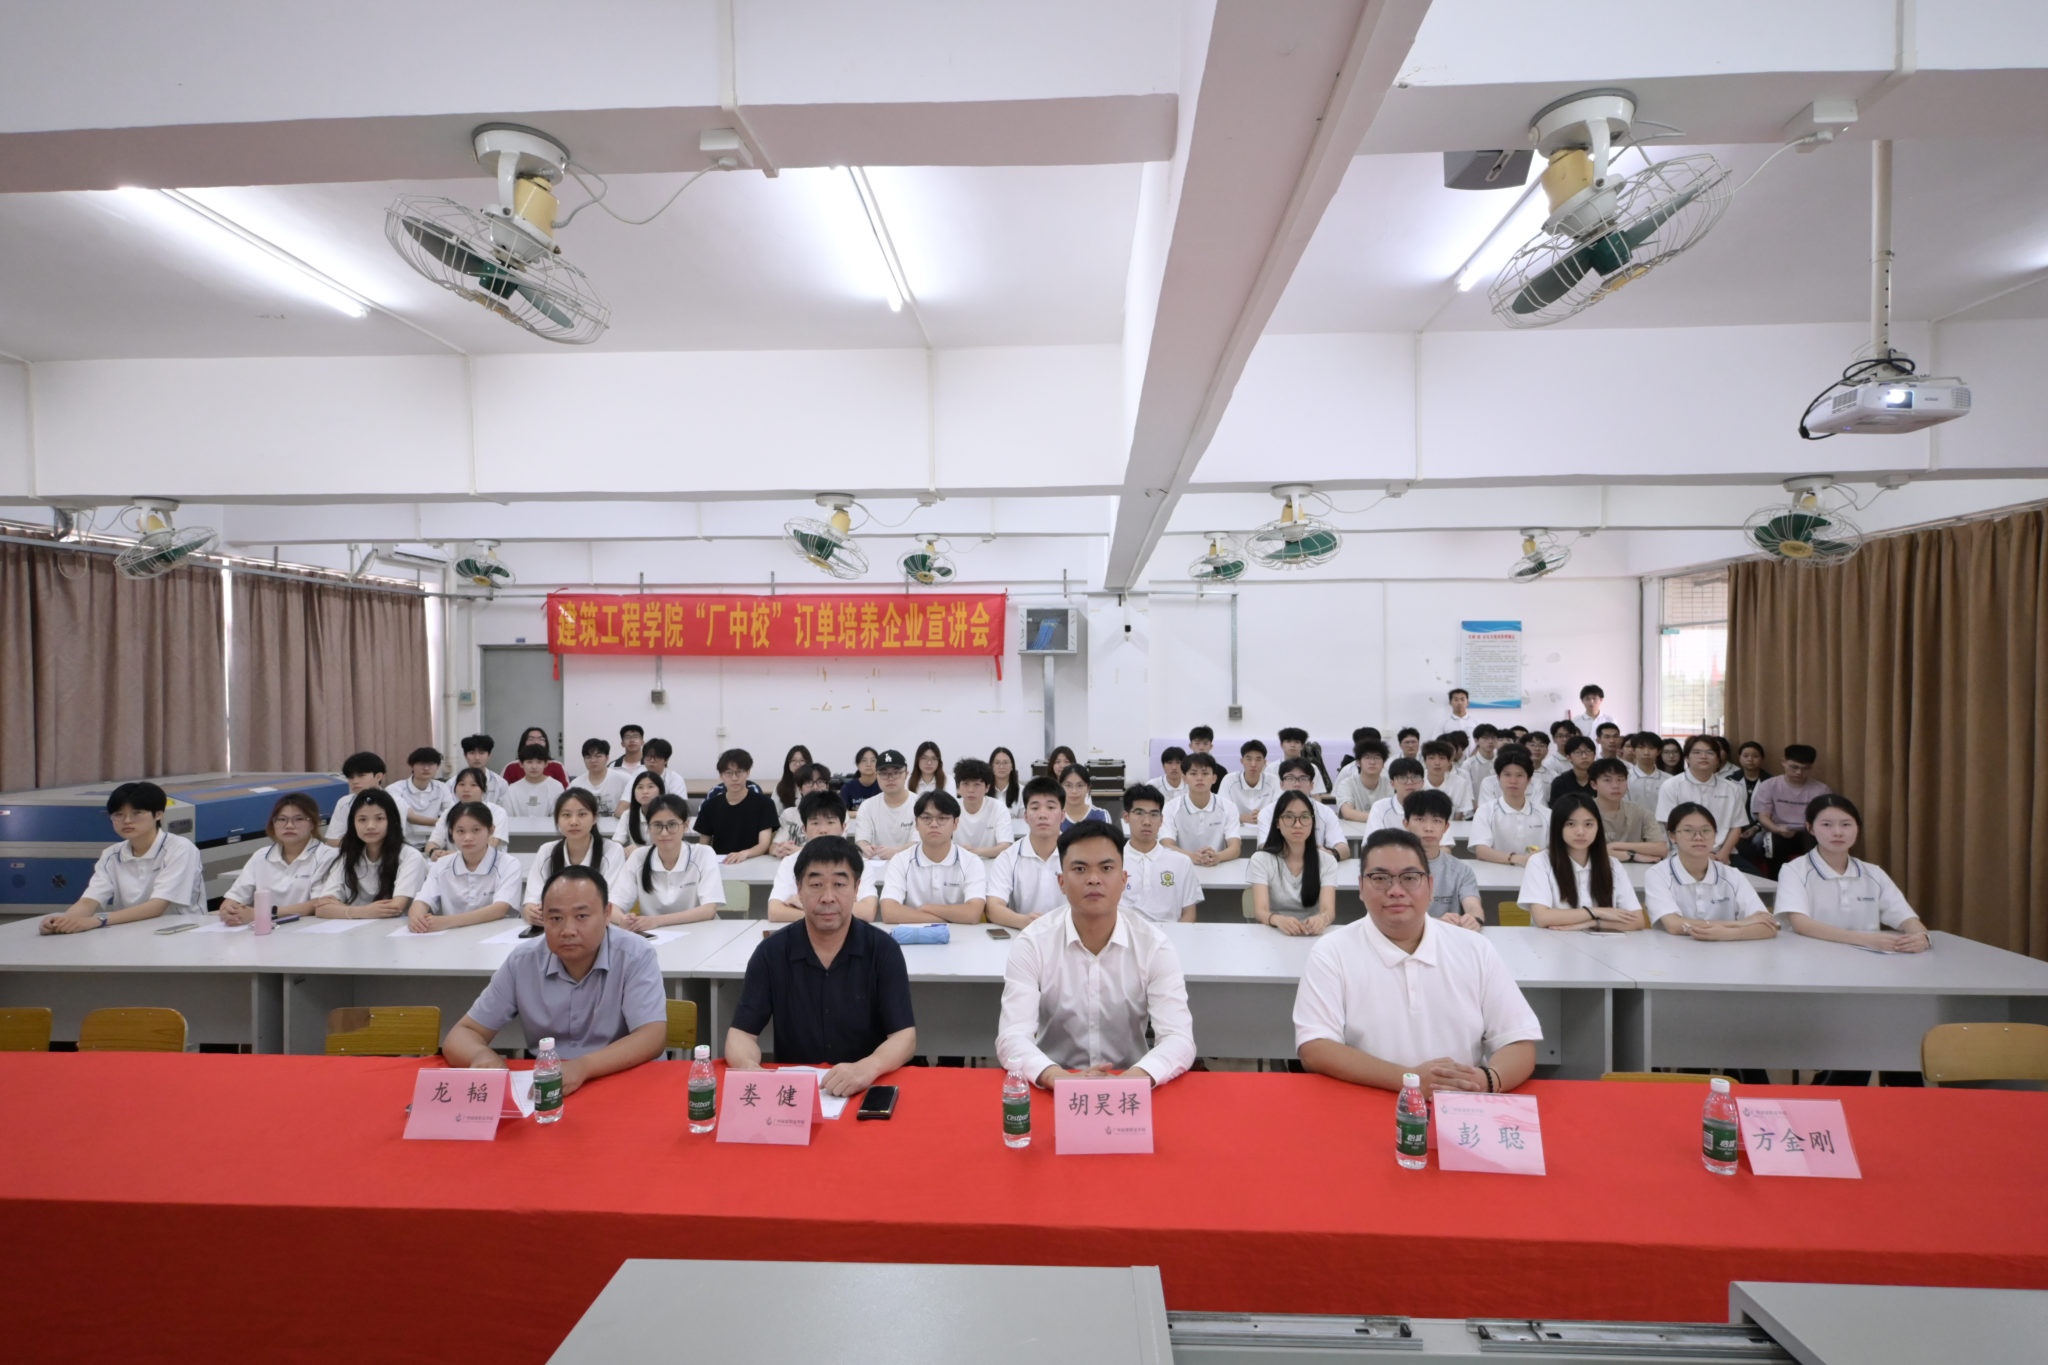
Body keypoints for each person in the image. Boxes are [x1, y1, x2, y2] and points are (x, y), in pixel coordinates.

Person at [1294, 829, 1541, 1096]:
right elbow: (1315, 1048)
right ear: (1361, 888)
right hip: (1369, 1097)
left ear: (1431, 887)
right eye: (1380, 878)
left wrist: (1486, 1080)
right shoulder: (1331, 952)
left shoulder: (1475, 949)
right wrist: (1409, 1080)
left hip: (1461, 1104)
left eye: (1410, 878)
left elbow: (1518, 1040)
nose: (1396, 891)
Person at [995, 820, 1196, 1089]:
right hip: (1053, 1084)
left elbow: (1179, 1037)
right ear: (1062, 882)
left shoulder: (1154, 945)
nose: (1093, 879)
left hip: (1131, 1085)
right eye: (1080, 869)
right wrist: (1059, 1079)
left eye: (1106, 868)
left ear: (1124, 880)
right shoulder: (1033, 942)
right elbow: (1012, 1035)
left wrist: (1130, 1081)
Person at [443, 864, 667, 1091]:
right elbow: (464, 1033)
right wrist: (481, 1056)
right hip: (550, 1085)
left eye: (581, 916)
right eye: (556, 918)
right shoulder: (524, 961)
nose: (568, 930)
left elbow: (651, 1037)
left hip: (624, 1079)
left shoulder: (635, 955)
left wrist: (583, 1067)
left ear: (607, 914)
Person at [727, 837, 917, 1096]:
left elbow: (904, 1036)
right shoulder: (772, 952)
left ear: (856, 889)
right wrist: (750, 1069)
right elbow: (741, 1035)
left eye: (839, 884)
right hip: (793, 1095)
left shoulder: (883, 950)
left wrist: (868, 1067)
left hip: (866, 1087)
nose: (828, 897)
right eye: (816, 885)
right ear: (799, 889)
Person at [40, 781, 208, 933]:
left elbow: (157, 906)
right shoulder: (111, 854)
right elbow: (89, 901)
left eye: (137, 813)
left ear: (158, 814)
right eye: (118, 814)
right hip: (131, 931)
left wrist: (98, 920)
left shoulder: (180, 848)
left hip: (182, 931)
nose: (127, 820)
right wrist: (62, 922)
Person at [1776, 794, 1930, 952]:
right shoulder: (1794, 870)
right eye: (1827, 824)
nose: (1838, 832)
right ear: (1810, 828)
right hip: (1809, 956)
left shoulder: (1873, 873)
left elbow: (1906, 917)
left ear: (1857, 827)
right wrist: (1866, 940)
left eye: (1846, 824)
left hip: (1866, 959)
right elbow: (1801, 924)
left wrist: (1921, 937)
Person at [1645, 803, 1776, 939]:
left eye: (1706, 830)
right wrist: (1739, 924)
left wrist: (1727, 934)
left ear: (1715, 835)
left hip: (1727, 950)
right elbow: (1674, 925)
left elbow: (1768, 926)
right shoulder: (1658, 874)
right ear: (1672, 836)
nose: (1698, 837)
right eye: (1688, 830)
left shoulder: (1732, 875)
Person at [1518, 793, 1646, 931]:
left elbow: (1637, 921)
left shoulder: (1612, 865)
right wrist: (1597, 912)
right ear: (1558, 827)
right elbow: (1543, 918)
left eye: (1588, 824)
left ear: (1598, 827)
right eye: (1571, 824)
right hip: (1552, 941)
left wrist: (1592, 923)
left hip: (1601, 942)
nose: (1580, 832)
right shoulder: (1540, 862)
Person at [310, 788, 430, 918]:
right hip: (356, 927)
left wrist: (343, 909)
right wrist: (365, 911)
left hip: (398, 926)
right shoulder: (347, 857)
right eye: (362, 820)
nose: (370, 826)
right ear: (353, 824)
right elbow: (321, 908)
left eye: (379, 818)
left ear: (392, 821)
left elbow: (395, 907)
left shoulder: (410, 856)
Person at [219, 793, 337, 924]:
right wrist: (229, 912)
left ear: (314, 823)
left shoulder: (327, 855)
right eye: (281, 819)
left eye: (299, 819)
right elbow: (234, 897)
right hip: (265, 928)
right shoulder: (261, 856)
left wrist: (262, 913)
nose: (289, 825)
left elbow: (319, 903)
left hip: (309, 928)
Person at [608, 794, 724, 928]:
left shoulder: (703, 854)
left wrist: (656, 921)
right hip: (655, 935)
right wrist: (624, 920)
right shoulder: (639, 857)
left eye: (672, 824)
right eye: (657, 825)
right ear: (648, 827)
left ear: (686, 825)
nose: (664, 833)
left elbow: (709, 910)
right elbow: (613, 906)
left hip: (702, 932)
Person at [405, 802, 523, 933]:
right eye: (460, 831)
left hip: (496, 935)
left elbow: (500, 908)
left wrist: (448, 922)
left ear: (491, 830)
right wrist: (416, 918)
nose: (468, 838)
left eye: (476, 830)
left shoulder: (509, 864)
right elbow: (422, 900)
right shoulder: (442, 864)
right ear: (451, 833)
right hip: (453, 937)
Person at [768, 792, 880, 922]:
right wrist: (838, 910)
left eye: (830, 822)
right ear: (804, 829)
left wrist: (808, 906)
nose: (823, 830)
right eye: (815, 823)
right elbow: (775, 912)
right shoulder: (791, 862)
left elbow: (867, 912)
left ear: (843, 827)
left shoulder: (859, 862)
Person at [878, 791, 988, 924]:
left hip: (959, 934)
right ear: (916, 823)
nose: (934, 824)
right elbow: (889, 912)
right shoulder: (901, 860)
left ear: (955, 823)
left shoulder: (971, 862)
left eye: (942, 818)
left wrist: (926, 908)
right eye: (926, 818)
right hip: (914, 934)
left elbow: (973, 914)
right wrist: (948, 918)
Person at [522, 789, 626, 923]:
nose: (574, 822)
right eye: (566, 815)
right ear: (557, 819)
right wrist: (530, 911)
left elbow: (609, 900)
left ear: (595, 817)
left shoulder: (612, 850)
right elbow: (532, 898)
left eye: (582, 814)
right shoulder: (547, 851)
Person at [1248, 790, 1338, 936]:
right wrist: (1277, 919)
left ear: (1312, 821)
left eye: (1305, 817)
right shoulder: (1261, 859)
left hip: (1312, 934)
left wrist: (1322, 919)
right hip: (1275, 932)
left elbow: (1328, 910)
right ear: (1277, 822)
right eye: (1289, 817)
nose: (1298, 824)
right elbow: (1260, 911)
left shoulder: (1327, 861)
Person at [986, 776, 1069, 927]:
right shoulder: (1008, 857)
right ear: (1025, 816)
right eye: (1035, 808)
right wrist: (1025, 921)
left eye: (1051, 807)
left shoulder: (1079, 855)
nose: (1042, 814)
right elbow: (993, 908)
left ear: (1063, 815)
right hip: (1023, 933)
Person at [1118, 784, 1202, 924]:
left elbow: (1189, 914)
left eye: (1154, 815)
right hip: (1125, 933)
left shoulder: (1181, 862)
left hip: (1170, 934)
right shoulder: (1112, 862)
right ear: (1126, 817)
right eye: (1139, 813)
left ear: (1161, 820)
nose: (1147, 822)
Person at [1654, 735, 1745, 862]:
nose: (1703, 756)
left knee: (1752, 875)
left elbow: (1736, 826)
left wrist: (1724, 854)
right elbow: (1670, 824)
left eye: (1710, 752)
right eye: (1696, 752)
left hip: (1723, 853)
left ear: (1718, 759)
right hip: (1683, 852)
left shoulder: (1731, 788)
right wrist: (1702, 854)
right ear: (1687, 758)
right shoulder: (1671, 785)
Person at [1400, 789, 1482, 929]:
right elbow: (1392, 919)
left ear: (1446, 827)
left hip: (1449, 938)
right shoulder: (1392, 869)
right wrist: (1436, 923)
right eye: (1420, 819)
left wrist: (1473, 920)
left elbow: (1473, 907)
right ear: (1406, 824)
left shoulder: (1461, 870)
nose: (1429, 828)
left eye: (1437, 820)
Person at [1750, 744, 1832, 872]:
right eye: (1794, 767)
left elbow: (1826, 819)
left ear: (1811, 767)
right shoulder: (1769, 785)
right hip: (1777, 831)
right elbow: (1763, 816)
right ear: (1784, 762)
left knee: (1823, 841)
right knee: (1771, 843)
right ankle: (1776, 880)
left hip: (1808, 832)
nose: (1799, 772)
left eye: (1805, 768)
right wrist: (1777, 829)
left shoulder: (1821, 789)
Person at [692, 748, 778, 864]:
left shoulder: (764, 804)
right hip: (722, 863)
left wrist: (745, 853)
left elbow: (764, 844)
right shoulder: (710, 806)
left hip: (753, 861)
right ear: (721, 776)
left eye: (739, 772)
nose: (734, 778)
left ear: (748, 772)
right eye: (728, 773)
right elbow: (704, 845)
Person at [1470, 745, 1550, 867]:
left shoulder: (1546, 814)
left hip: (1536, 873)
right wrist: (1518, 859)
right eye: (1507, 775)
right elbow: (1481, 850)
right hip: (1496, 874)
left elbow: (1556, 849)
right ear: (1498, 778)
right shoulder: (1485, 811)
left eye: (1519, 775)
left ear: (1529, 780)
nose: (1513, 781)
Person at [1256, 757, 1348, 861]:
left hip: (1315, 864)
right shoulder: (1268, 812)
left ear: (1312, 785)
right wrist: (1301, 853)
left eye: (1303, 779)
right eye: (1290, 778)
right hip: (1280, 863)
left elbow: (1343, 848)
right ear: (1281, 784)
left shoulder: (1326, 812)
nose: (1297, 784)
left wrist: (1329, 854)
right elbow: (1264, 846)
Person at [1161, 752, 1241, 866]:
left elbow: (1235, 848)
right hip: (1181, 866)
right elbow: (1166, 845)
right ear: (1184, 778)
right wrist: (1193, 857)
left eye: (1205, 773)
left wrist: (1218, 857)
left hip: (1216, 866)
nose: (1199, 778)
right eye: (1193, 773)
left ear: (1214, 778)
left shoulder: (1228, 806)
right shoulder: (1171, 807)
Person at [1588, 757, 1666, 862]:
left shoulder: (1640, 812)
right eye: (1607, 780)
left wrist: (1614, 846)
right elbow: (1583, 851)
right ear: (1594, 785)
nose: (1615, 786)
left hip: (1635, 869)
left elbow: (1661, 849)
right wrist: (1631, 855)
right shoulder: (1584, 811)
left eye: (1620, 780)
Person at [424, 768, 509, 859]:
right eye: (461, 784)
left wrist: (456, 856)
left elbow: (492, 844)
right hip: (453, 863)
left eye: (473, 785)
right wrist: (434, 852)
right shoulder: (448, 812)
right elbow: (432, 843)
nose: (466, 789)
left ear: (484, 789)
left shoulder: (497, 811)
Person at [850, 749, 916, 859]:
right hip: (876, 864)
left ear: (906, 775)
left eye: (896, 773)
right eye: (884, 774)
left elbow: (920, 843)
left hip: (911, 863)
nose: (890, 779)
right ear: (876, 776)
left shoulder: (921, 804)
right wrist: (864, 848)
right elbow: (862, 840)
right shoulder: (867, 806)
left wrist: (896, 852)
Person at [389, 746, 454, 848]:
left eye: (431, 764)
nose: (426, 768)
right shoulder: (395, 789)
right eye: (421, 764)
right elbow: (411, 817)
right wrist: (441, 822)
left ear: (437, 767)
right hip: (404, 845)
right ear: (412, 766)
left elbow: (451, 814)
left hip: (435, 844)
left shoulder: (442, 788)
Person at [951, 757, 1013, 858]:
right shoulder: (950, 808)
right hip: (958, 862)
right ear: (958, 786)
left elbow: (1005, 846)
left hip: (990, 862)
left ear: (987, 787)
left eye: (977, 784)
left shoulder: (998, 808)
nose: (971, 790)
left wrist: (975, 851)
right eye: (965, 784)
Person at [771, 763, 835, 856]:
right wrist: (777, 850)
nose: (815, 787)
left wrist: (797, 850)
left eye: (820, 782)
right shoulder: (789, 814)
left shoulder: (837, 814)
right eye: (809, 782)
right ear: (799, 788)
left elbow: (835, 849)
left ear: (827, 786)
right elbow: (775, 845)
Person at [324, 751, 387, 846]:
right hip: (352, 853)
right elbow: (332, 841)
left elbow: (395, 840)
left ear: (378, 776)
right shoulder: (344, 802)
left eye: (361, 776)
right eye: (351, 777)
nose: (355, 781)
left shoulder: (396, 801)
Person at [611, 770, 674, 852]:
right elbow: (617, 842)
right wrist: (619, 850)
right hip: (634, 859)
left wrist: (641, 851)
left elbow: (669, 848)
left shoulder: (669, 816)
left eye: (650, 787)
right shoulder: (628, 815)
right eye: (640, 787)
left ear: (660, 791)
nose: (645, 792)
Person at [568, 737, 630, 817]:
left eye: (598, 756)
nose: (593, 760)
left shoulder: (624, 779)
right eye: (588, 757)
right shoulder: (575, 784)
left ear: (607, 757)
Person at [1335, 738, 1393, 822]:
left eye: (1377, 757)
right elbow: (1347, 812)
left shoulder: (1389, 784)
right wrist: (1379, 817)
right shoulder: (1346, 784)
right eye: (1367, 757)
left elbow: (1391, 813)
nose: (1372, 762)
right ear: (1359, 762)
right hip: (1352, 829)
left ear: (1383, 763)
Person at [1364, 757, 1426, 835]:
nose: (1409, 782)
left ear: (1422, 782)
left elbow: (1441, 841)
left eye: (1415, 777)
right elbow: (1372, 841)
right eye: (1402, 778)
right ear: (1392, 783)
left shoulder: (1433, 807)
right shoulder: (1380, 808)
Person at [506, 742, 567, 819]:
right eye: (529, 762)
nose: (534, 767)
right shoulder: (512, 789)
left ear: (546, 764)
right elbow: (508, 818)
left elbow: (558, 818)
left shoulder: (556, 787)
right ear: (521, 764)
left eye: (539, 762)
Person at [1419, 739, 1474, 818]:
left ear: (1449, 761)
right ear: (1424, 761)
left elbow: (1459, 814)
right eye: (1431, 758)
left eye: (1442, 758)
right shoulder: (1416, 781)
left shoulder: (1459, 782)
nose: (1437, 763)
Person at [501, 726, 569, 787]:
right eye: (531, 739)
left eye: (541, 739)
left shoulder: (557, 766)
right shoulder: (511, 767)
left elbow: (566, 792)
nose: (536, 742)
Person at [460, 734, 513, 806]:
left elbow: (504, 808)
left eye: (482, 753)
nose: (477, 758)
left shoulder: (501, 784)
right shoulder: (452, 783)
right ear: (465, 755)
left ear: (489, 755)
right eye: (472, 753)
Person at [1624, 731, 1671, 811]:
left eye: (1651, 748)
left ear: (1658, 752)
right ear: (1633, 750)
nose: (1646, 753)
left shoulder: (1669, 779)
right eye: (1641, 748)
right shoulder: (1625, 778)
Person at [1546, 735, 1598, 805]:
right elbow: (1556, 809)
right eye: (1578, 752)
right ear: (1569, 757)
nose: (1584, 756)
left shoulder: (1601, 780)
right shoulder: (1560, 782)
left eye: (1588, 751)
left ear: (1594, 755)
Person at [1057, 763, 1109, 832]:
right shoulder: (1054, 816)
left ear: (1088, 788)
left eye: (1080, 785)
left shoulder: (1101, 815)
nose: (1074, 791)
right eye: (1068, 785)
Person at [1276, 727, 1329, 794]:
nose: (1292, 745)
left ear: (1302, 746)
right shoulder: (1271, 768)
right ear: (1281, 745)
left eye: (1297, 742)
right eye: (1288, 741)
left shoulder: (1312, 767)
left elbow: (1316, 794)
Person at [772, 743, 816, 816]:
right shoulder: (781, 786)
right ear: (788, 763)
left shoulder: (815, 785)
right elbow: (775, 812)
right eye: (793, 760)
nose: (797, 764)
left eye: (802, 760)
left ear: (808, 762)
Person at [1459, 724, 1502, 796]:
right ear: (1476, 741)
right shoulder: (1468, 764)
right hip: (1477, 802)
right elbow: (1464, 789)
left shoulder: (1502, 761)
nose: (1490, 741)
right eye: (1485, 738)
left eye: (1493, 737)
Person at [841, 745, 882, 811]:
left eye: (873, 760)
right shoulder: (848, 787)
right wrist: (863, 814)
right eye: (864, 760)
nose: (869, 764)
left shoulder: (883, 784)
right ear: (857, 765)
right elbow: (841, 812)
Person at [989, 746, 1023, 815]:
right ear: (991, 766)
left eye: (1005, 762)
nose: (1001, 767)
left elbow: (1025, 818)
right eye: (997, 762)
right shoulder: (983, 790)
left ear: (1012, 766)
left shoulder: (1022, 791)